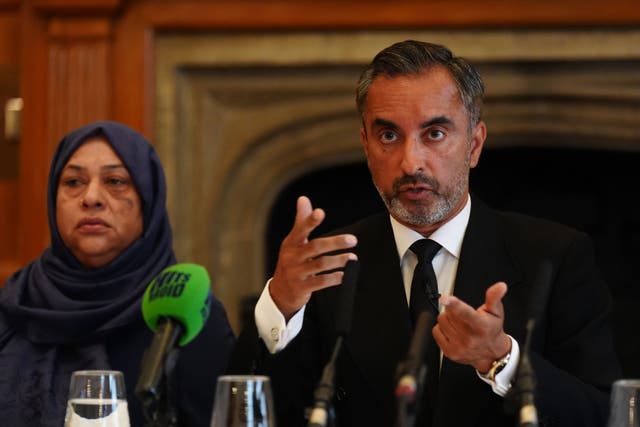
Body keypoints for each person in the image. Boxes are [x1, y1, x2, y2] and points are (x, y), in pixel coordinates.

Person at [230, 40, 622, 426]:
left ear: (474, 144)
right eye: (388, 136)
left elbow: (607, 414)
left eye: (434, 134)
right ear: (365, 145)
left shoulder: (555, 255)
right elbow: (248, 410)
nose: (410, 162)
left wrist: (502, 360)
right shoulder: (327, 266)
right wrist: (279, 303)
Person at [0, 121, 236, 427]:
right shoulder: (16, 305)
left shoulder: (185, 314)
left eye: (115, 181)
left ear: (147, 203)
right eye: (73, 182)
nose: (91, 198)